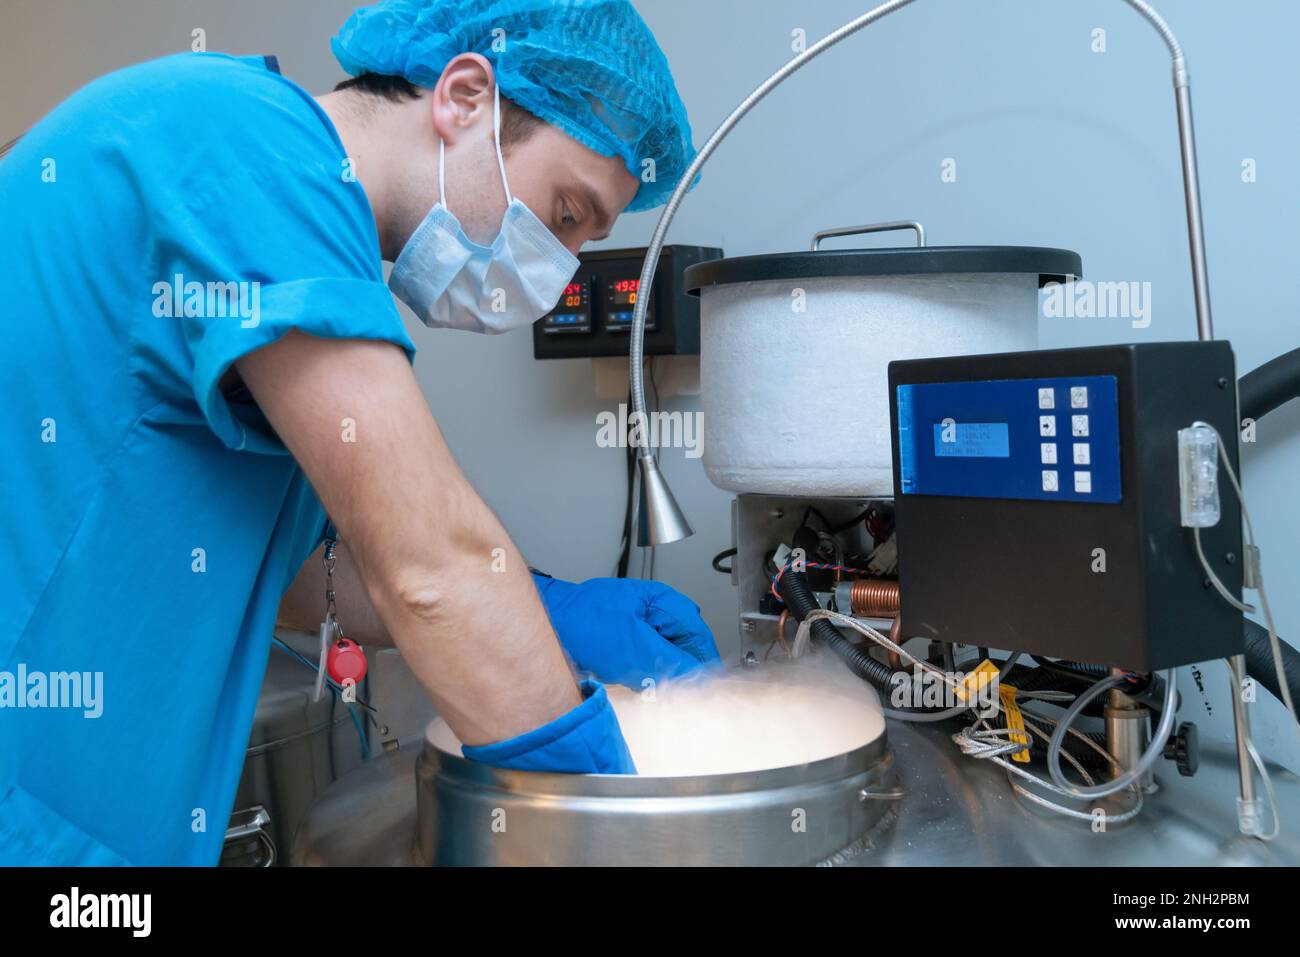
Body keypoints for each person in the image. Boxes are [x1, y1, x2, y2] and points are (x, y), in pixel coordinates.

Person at [0, 0, 718, 866]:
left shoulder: (272, 205)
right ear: (462, 97)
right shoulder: (250, 147)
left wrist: (550, 611)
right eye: (565, 214)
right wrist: (611, 823)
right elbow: (428, 566)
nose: (556, 267)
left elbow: (306, 572)